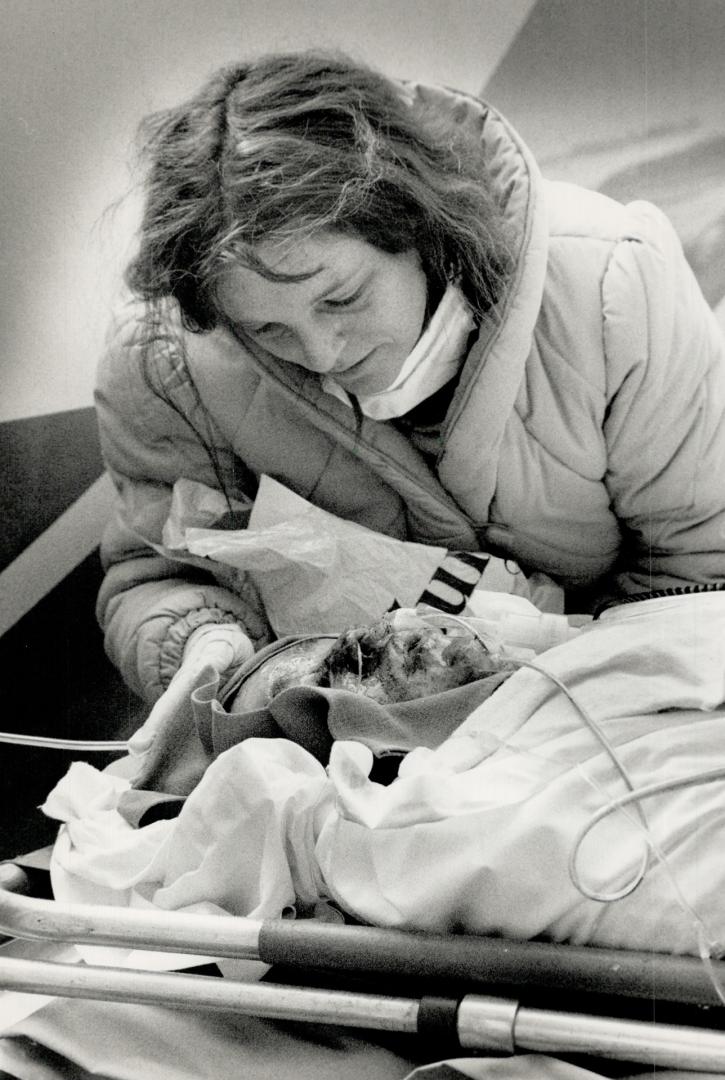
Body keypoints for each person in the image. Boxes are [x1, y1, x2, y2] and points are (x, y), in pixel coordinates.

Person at [95, 49, 725, 725]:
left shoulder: (610, 286)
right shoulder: (166, 362)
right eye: (267, 330)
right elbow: (153, 579)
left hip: (615, 709)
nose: (321, 353)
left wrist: (548, 697)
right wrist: (217, 652)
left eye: (341, 299)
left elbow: (700, 565)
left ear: (416, 224)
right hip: (340, 741)